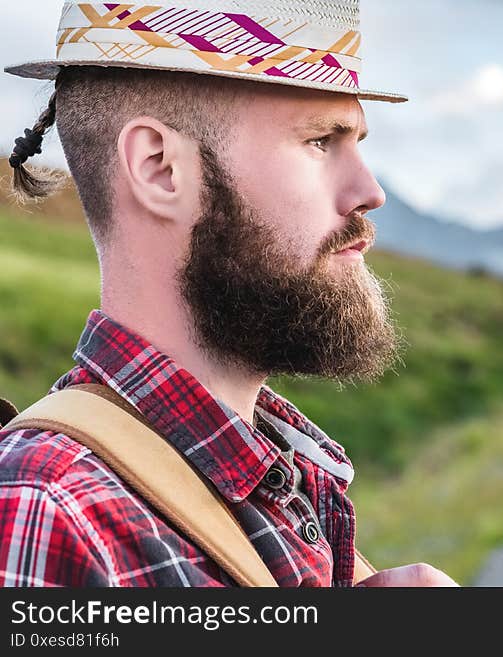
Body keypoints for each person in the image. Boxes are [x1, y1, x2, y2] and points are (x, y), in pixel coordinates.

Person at [0, 0, 457, 587]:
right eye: (321, 141)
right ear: (161, 167)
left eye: (358, 143)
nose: (369, 191)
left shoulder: (282, 479)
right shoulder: (47, 514)